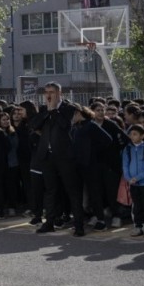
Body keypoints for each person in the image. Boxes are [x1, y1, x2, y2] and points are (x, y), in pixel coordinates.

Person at [34, 82, 86, 237]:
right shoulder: (44, 109)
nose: (49, 95)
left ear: (59, 93)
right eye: (46, 92)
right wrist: (47, 112)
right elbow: (34, 124)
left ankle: (79, 225)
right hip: (47, 156)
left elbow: (65, 126)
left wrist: (54, 110)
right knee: (50, 191)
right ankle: (49, 222)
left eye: (52, 92)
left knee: (72, 191)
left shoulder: (68, 108)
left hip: (65, 157)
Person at [121, 124, 144, 237]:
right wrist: (128, 178)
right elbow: (125, 165)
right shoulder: (127, 149)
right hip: (133, 183)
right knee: (136, 205)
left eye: (135, 134)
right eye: (131, 134)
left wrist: (137, 178)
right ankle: (138, 226)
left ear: (142, 135)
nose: (132, 136)